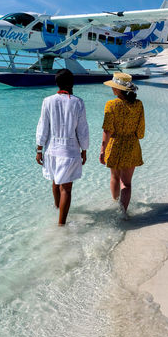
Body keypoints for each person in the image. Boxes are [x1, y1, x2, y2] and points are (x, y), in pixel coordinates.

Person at [36, 69, 89, 225]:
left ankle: (57, 209)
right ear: (72, 83)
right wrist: (84, 149)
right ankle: (61, 224)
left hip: (51, 150)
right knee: (66, 188)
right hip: (69, 150)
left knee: (55, 182)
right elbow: (82, 129)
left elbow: (42, 126)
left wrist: (39, 149)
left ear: (57, 83)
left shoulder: (47, 101)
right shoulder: (78, 102)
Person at [100, 72, 145, 214]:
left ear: (119, 89)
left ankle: (115, 206)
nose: (112, 88)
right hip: (132, 145)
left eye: (114, 86)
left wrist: (102, 150)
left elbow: (107, 130)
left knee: (114, 177)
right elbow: (141, 131)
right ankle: (123, 212)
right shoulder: (138, 104)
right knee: (127, 183)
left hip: (115, 145)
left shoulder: (111, 105)